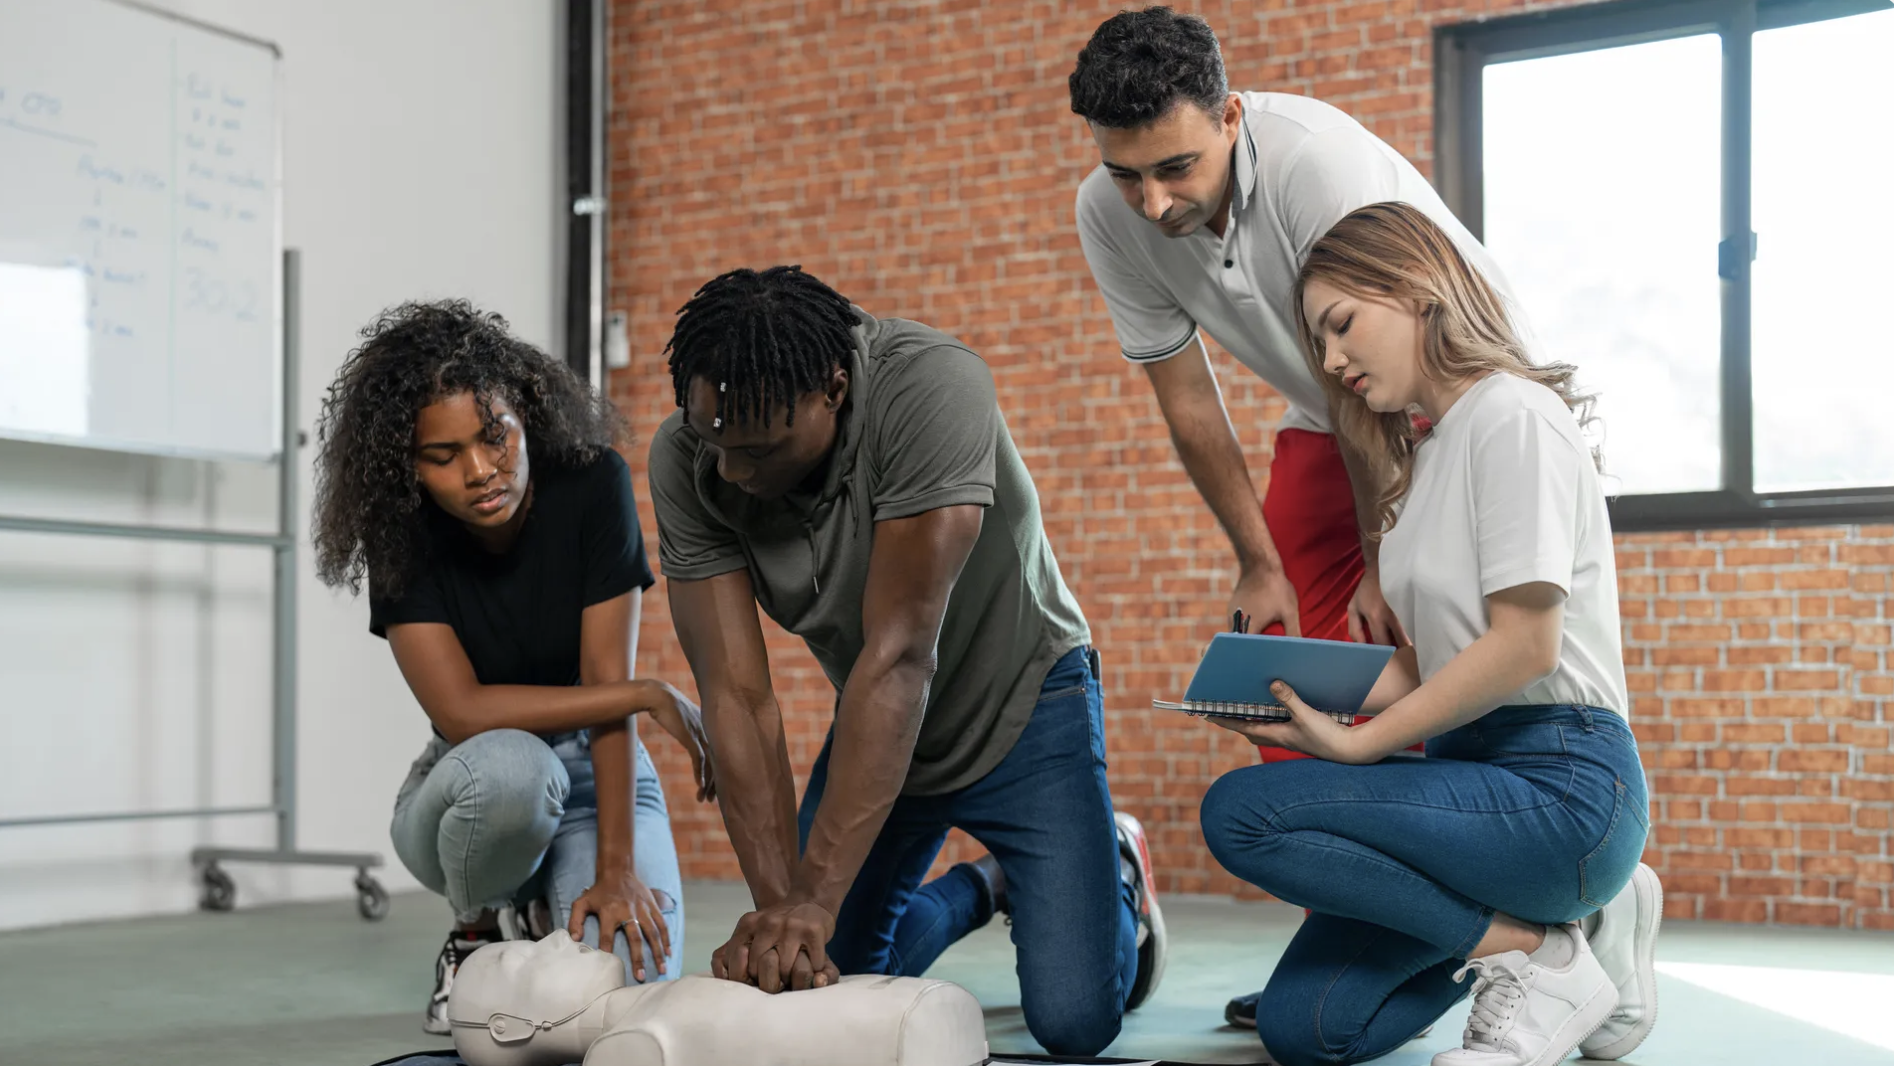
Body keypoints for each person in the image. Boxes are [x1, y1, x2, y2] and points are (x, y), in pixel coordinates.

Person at [646, 265, 1165, 1057]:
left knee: (1075, 1023)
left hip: (1026, 702)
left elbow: (900, 655)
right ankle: (983, 884)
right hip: (880, 725)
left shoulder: (931, 389)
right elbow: (738, 698)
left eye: (759, 447)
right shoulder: (692, 456)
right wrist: (786, 915)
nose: (732, 473)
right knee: (823, 982)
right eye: (714, 441)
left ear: (835, 386)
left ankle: (1118, 868)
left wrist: (816, 898)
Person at [1195, 203, 1663, 1066]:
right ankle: (1537, 936)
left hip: (1562, 781)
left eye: (1341, 325)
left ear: (1418, 291)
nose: (1331, 361)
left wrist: (1357, 743)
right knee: (1312, 1028)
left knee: (1242, 814)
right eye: (1319, 341)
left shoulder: (1512, 415)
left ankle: (1543, 951)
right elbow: (1441, 661)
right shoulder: (1428, 454)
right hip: (1466, 777)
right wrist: (1290, 690)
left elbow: (1525, 646)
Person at [310, 299, 714, 1034]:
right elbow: (461, 711)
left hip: (601, 776)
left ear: (525, 413)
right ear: (408, 467)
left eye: (494, 437)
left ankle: (537, 914)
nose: (479, 471)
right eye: (442, 456)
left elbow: (602, 689)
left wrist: (616, 866)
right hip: (473, 786)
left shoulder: (593, 483)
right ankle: (475, 929)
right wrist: (646, 691)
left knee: (624, 1005)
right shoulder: (402, 533)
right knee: (515, 773)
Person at [446, 930, 987, 1066]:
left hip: (910, 1015)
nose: (556, 937)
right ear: (508, 1026)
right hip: (904, 1030)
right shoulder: (625, 1048)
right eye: (522, 957)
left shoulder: (642, 1015)